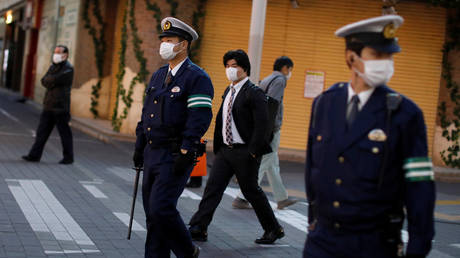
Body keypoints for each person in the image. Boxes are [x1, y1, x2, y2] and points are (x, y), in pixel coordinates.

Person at [303, 15, 435, 258]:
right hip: (322, 242)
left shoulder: (406, 114)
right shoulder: (325, 104)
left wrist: (417, 248)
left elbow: (420, 191)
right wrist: (314, 222)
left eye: (389, 56)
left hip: (373, 245)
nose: (386, 63)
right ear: (351, 58)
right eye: (377, 55)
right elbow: (313, 167)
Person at [133, 17, 213, 258]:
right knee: (152, 215)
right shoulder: (158, 76)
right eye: (164, 40)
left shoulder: (197, 77)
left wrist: (187, 149)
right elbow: (147, 113)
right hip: (152, 152)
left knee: (161, 209)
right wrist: (139, 146)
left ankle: (187, 251)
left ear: (184, 44)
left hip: (176, 153)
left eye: (170, 40)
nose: (165, 44)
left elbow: (199, 117)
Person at [189, 49, 284, 245]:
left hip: (245, 152)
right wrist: (219, 148)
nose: (230, 70)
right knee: (213, 189)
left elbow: (262, 125)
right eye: (227, 66)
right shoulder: (228, 91)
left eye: (235, 66)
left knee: (251, 192)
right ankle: (199, 227)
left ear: (245, 69)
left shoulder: (254, 93)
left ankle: (273, 229)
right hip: (225, 151)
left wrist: (253, 152)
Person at [232, 56, 298, 210]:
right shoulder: (280, 80)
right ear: (285, 68)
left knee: (272, 164)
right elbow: (272, 104)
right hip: (271, 129)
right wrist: (267, 130)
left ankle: (282, 198)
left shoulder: (267, 79)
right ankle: (242, 197)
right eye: (290, 69)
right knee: (264, 162)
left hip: (264, 127)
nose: (289, 73)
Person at [22, 45, 74, 165]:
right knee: (42, 132)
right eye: (55, 52)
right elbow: (44, 81)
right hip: (49, 105)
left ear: (65, 55)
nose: (55, 55)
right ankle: (34, 155)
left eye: (58, 52)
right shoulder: (53, 66)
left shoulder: (68, 68)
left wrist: (51, 80)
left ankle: (68, 157)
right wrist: (51, 80)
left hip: (61, 107)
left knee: (64, 133)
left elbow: (54, 80)